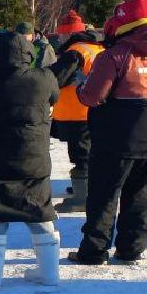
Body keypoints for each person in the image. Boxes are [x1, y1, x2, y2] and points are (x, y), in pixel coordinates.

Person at [69, 0, 147, 266]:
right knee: (141, 195)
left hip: (115, 138)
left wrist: (80, 87)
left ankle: (94, 251)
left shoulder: (115, 55)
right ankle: (131, 249)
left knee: (104, 195)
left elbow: (92, 96)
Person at [0, 32, 61, 288]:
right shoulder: (44, 78)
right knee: (40, 212)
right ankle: (49, 274)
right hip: (34, 161)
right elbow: (55, 97)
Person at [46, 11, 103, 213]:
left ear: (70, 34)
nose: (59, 38)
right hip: (95, 110)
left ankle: (82, 198)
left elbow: (55, 79)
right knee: (91, 154)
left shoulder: (75, 53)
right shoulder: (97, 48)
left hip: (77, 112)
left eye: (61, 34)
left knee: (81, 156)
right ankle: (87, 190)